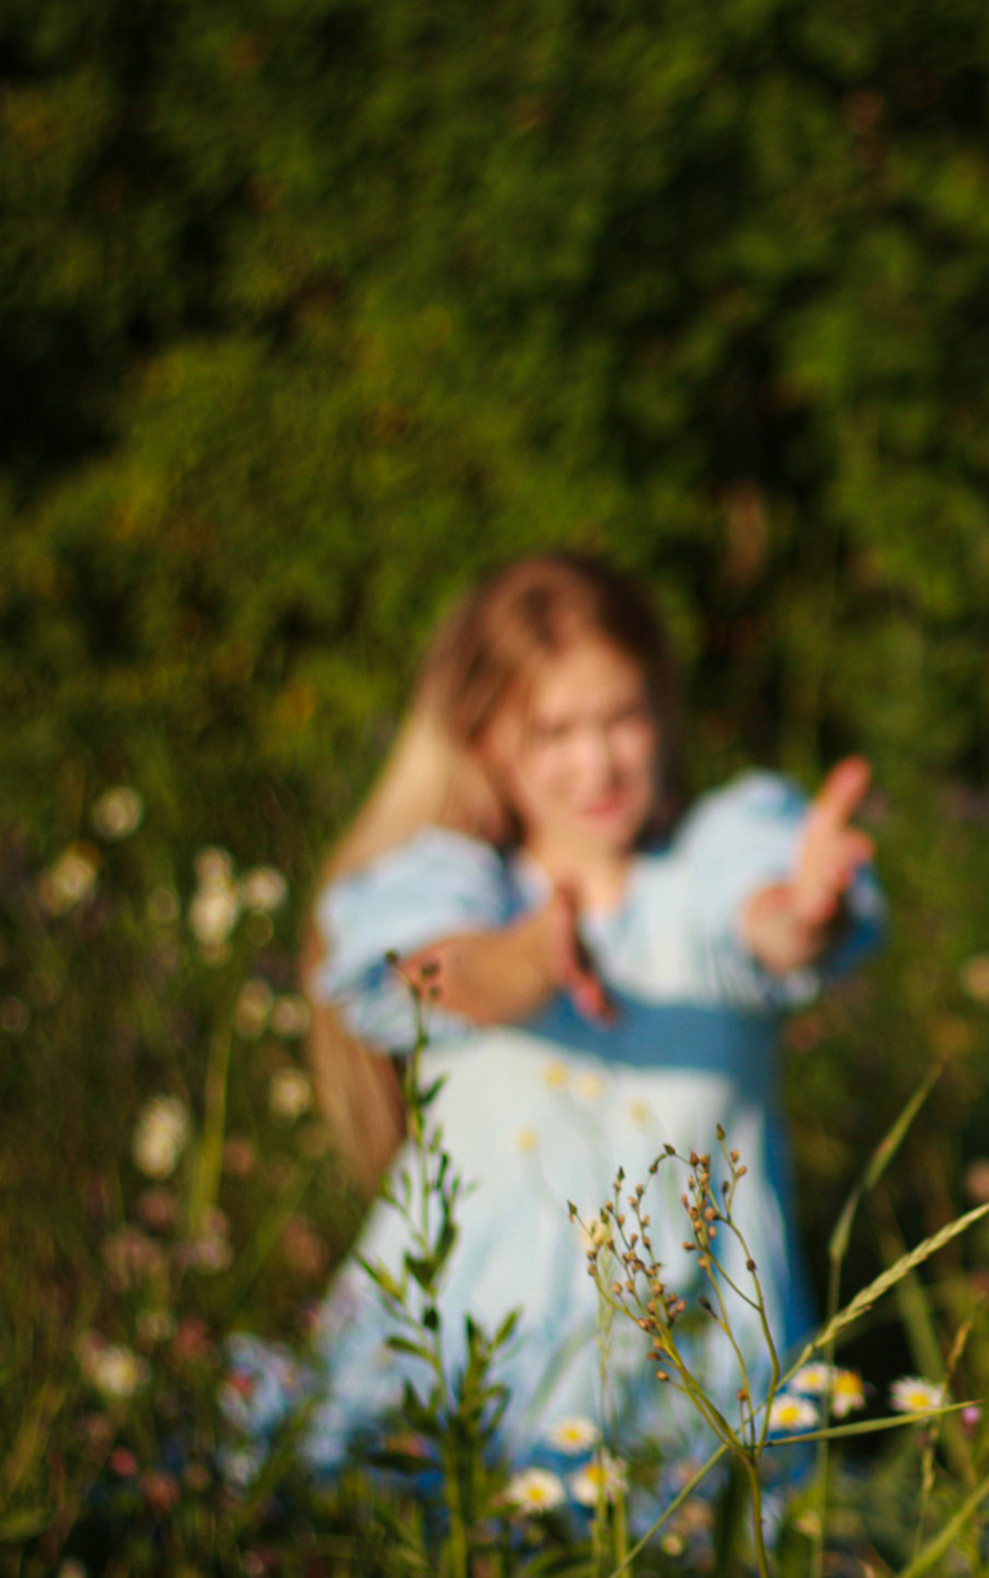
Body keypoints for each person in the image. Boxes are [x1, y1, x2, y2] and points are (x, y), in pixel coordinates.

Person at [297, 551, 885, 1474]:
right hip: (464, 1364)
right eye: (553, 731)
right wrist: (532, 955)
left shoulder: (708, 864)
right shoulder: (454, 885)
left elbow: (762, 924)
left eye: (622, 718)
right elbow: (443, 972)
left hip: (691, 1378)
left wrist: (806, 911)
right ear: (485, 737)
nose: (597, 762)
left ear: (663, 708)